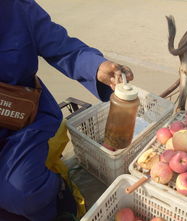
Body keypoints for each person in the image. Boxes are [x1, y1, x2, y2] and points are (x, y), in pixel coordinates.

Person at [0, 0, 134, 221]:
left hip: (25, 123)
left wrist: (97, 66)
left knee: (23, 192)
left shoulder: (17, 7)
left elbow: (64, 48)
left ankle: (60, 194)